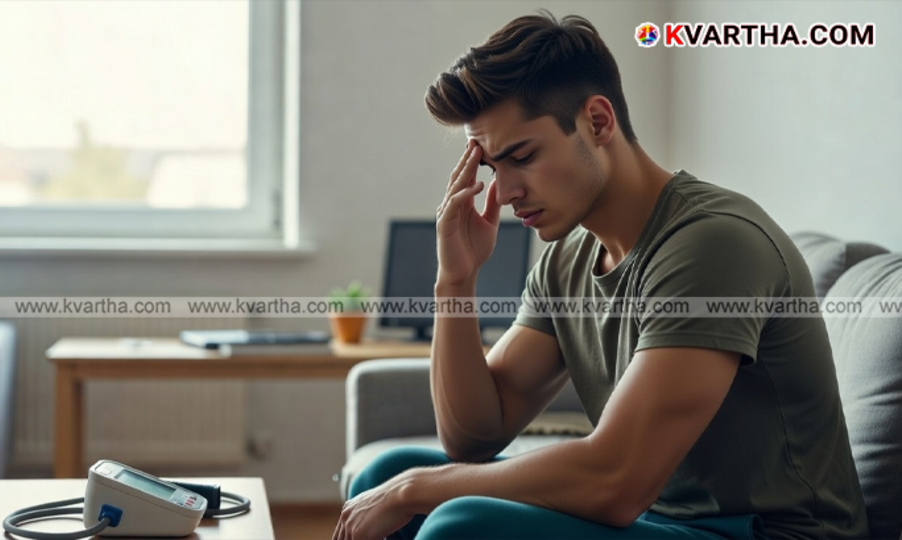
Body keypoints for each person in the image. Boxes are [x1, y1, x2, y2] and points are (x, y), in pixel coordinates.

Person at [333, 11, 868, 540]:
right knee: (384, 474)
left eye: (522, 156)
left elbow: (615, 481)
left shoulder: (712, 244)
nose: (506, 192)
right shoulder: (567, 260)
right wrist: (455, 280)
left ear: (597, 121)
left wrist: (417, 491)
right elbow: (474, 437)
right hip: (657, 521)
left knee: (453, 521)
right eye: (495, 168)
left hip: (764, 534)